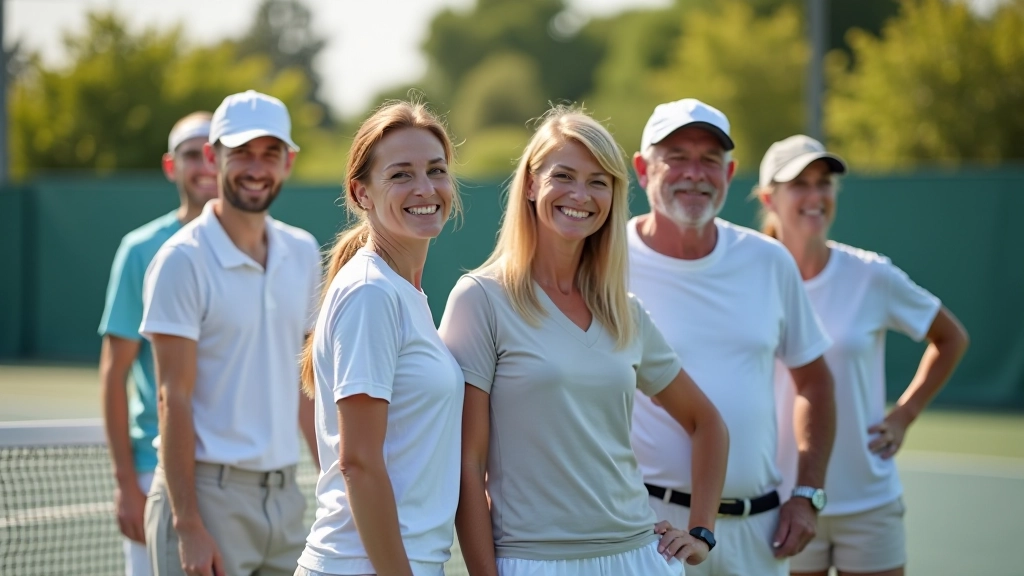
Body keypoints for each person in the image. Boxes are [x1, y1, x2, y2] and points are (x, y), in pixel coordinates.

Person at [439, 106, 729, 576]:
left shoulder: (625, 311)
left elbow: (708, 422)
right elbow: (465, 465)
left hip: (640, 558)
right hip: (533, 561)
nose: (581, 194)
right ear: (532, 184)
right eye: (565, 176)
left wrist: (700, 533)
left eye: (599, 181)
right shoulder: (480, 299)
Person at [627, 99, 837, 576]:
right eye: (676, 156)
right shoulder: (605, 260)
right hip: (648, 531)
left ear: (730, 172)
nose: (694, 173)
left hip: (758, 534)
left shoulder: (769, 261)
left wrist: (807, 494)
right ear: (643, 169)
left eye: (710, 160)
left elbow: (815, 384)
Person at [755, 135, 970, 576]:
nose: (816, 196)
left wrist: (904, 415)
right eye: (800, 184)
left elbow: (951, 338)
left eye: (824, 183)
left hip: (869, 503)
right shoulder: (747, 279)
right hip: (778, 505)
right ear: (768, 198)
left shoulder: (871, 275)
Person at [140, 90, 321, 576]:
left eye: (270, 153)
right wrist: (188, 524)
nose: (256, 168)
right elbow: (171, 397)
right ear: (211, 156)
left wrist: (333, 480)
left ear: (289, 162)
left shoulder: (303, 252)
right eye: (241, 152)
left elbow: (306, 386)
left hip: (286, 502)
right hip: (205, 501)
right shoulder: (181, 260)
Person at [293, 100, 465, 576]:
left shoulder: (400, 291)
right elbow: (359, 463)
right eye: (401, 175)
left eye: (436, 170)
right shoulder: (371, 293)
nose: (425, 188)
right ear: (361, 192)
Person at [98, 112, 217, 576]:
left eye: (212, 151)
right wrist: (127, 483)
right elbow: (114, 372)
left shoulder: (266, 247)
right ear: (172, 166)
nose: (204, 164)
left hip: (238, 475)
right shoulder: (140, 250)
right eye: (192, 154)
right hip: (159, 471)